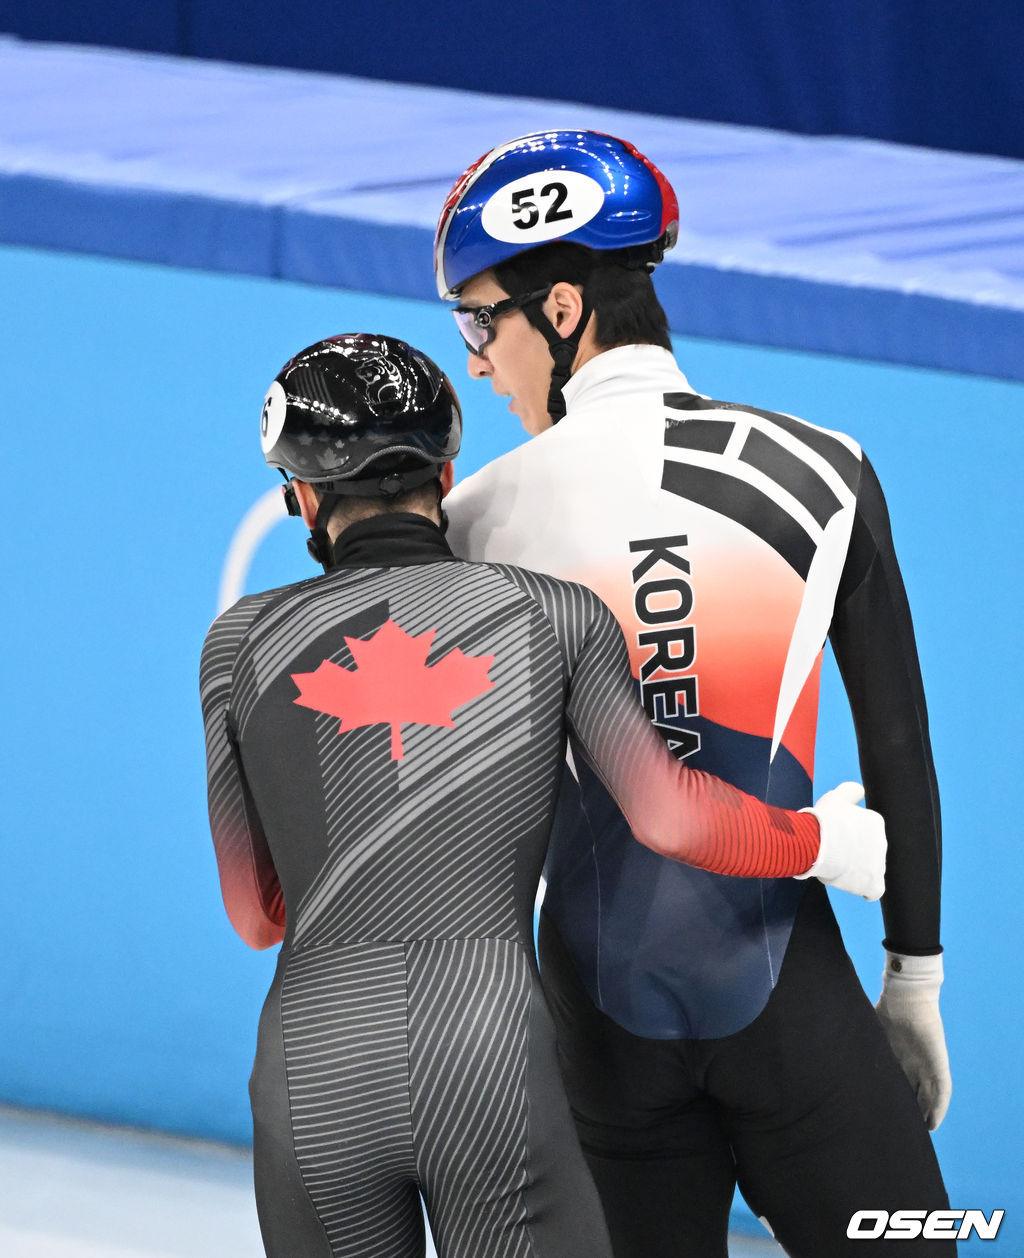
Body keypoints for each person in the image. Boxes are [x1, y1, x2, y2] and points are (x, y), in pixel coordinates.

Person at [200, 333, 886, 1258]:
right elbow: (672, 817)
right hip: (485, 1056)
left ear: (305, 499)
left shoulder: (240, 643)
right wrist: (825, 843)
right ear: (446, 476)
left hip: (315, 1068)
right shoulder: (552, 613)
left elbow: (257, 915)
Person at [434, 131, 952, 1257]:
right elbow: (898, 745)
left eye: (479, 323)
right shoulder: (826, 468)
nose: (475, 363)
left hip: (597, 1026)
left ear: (561, 309)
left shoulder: (471, 521)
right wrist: (913, 979)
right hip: (789, 1001)